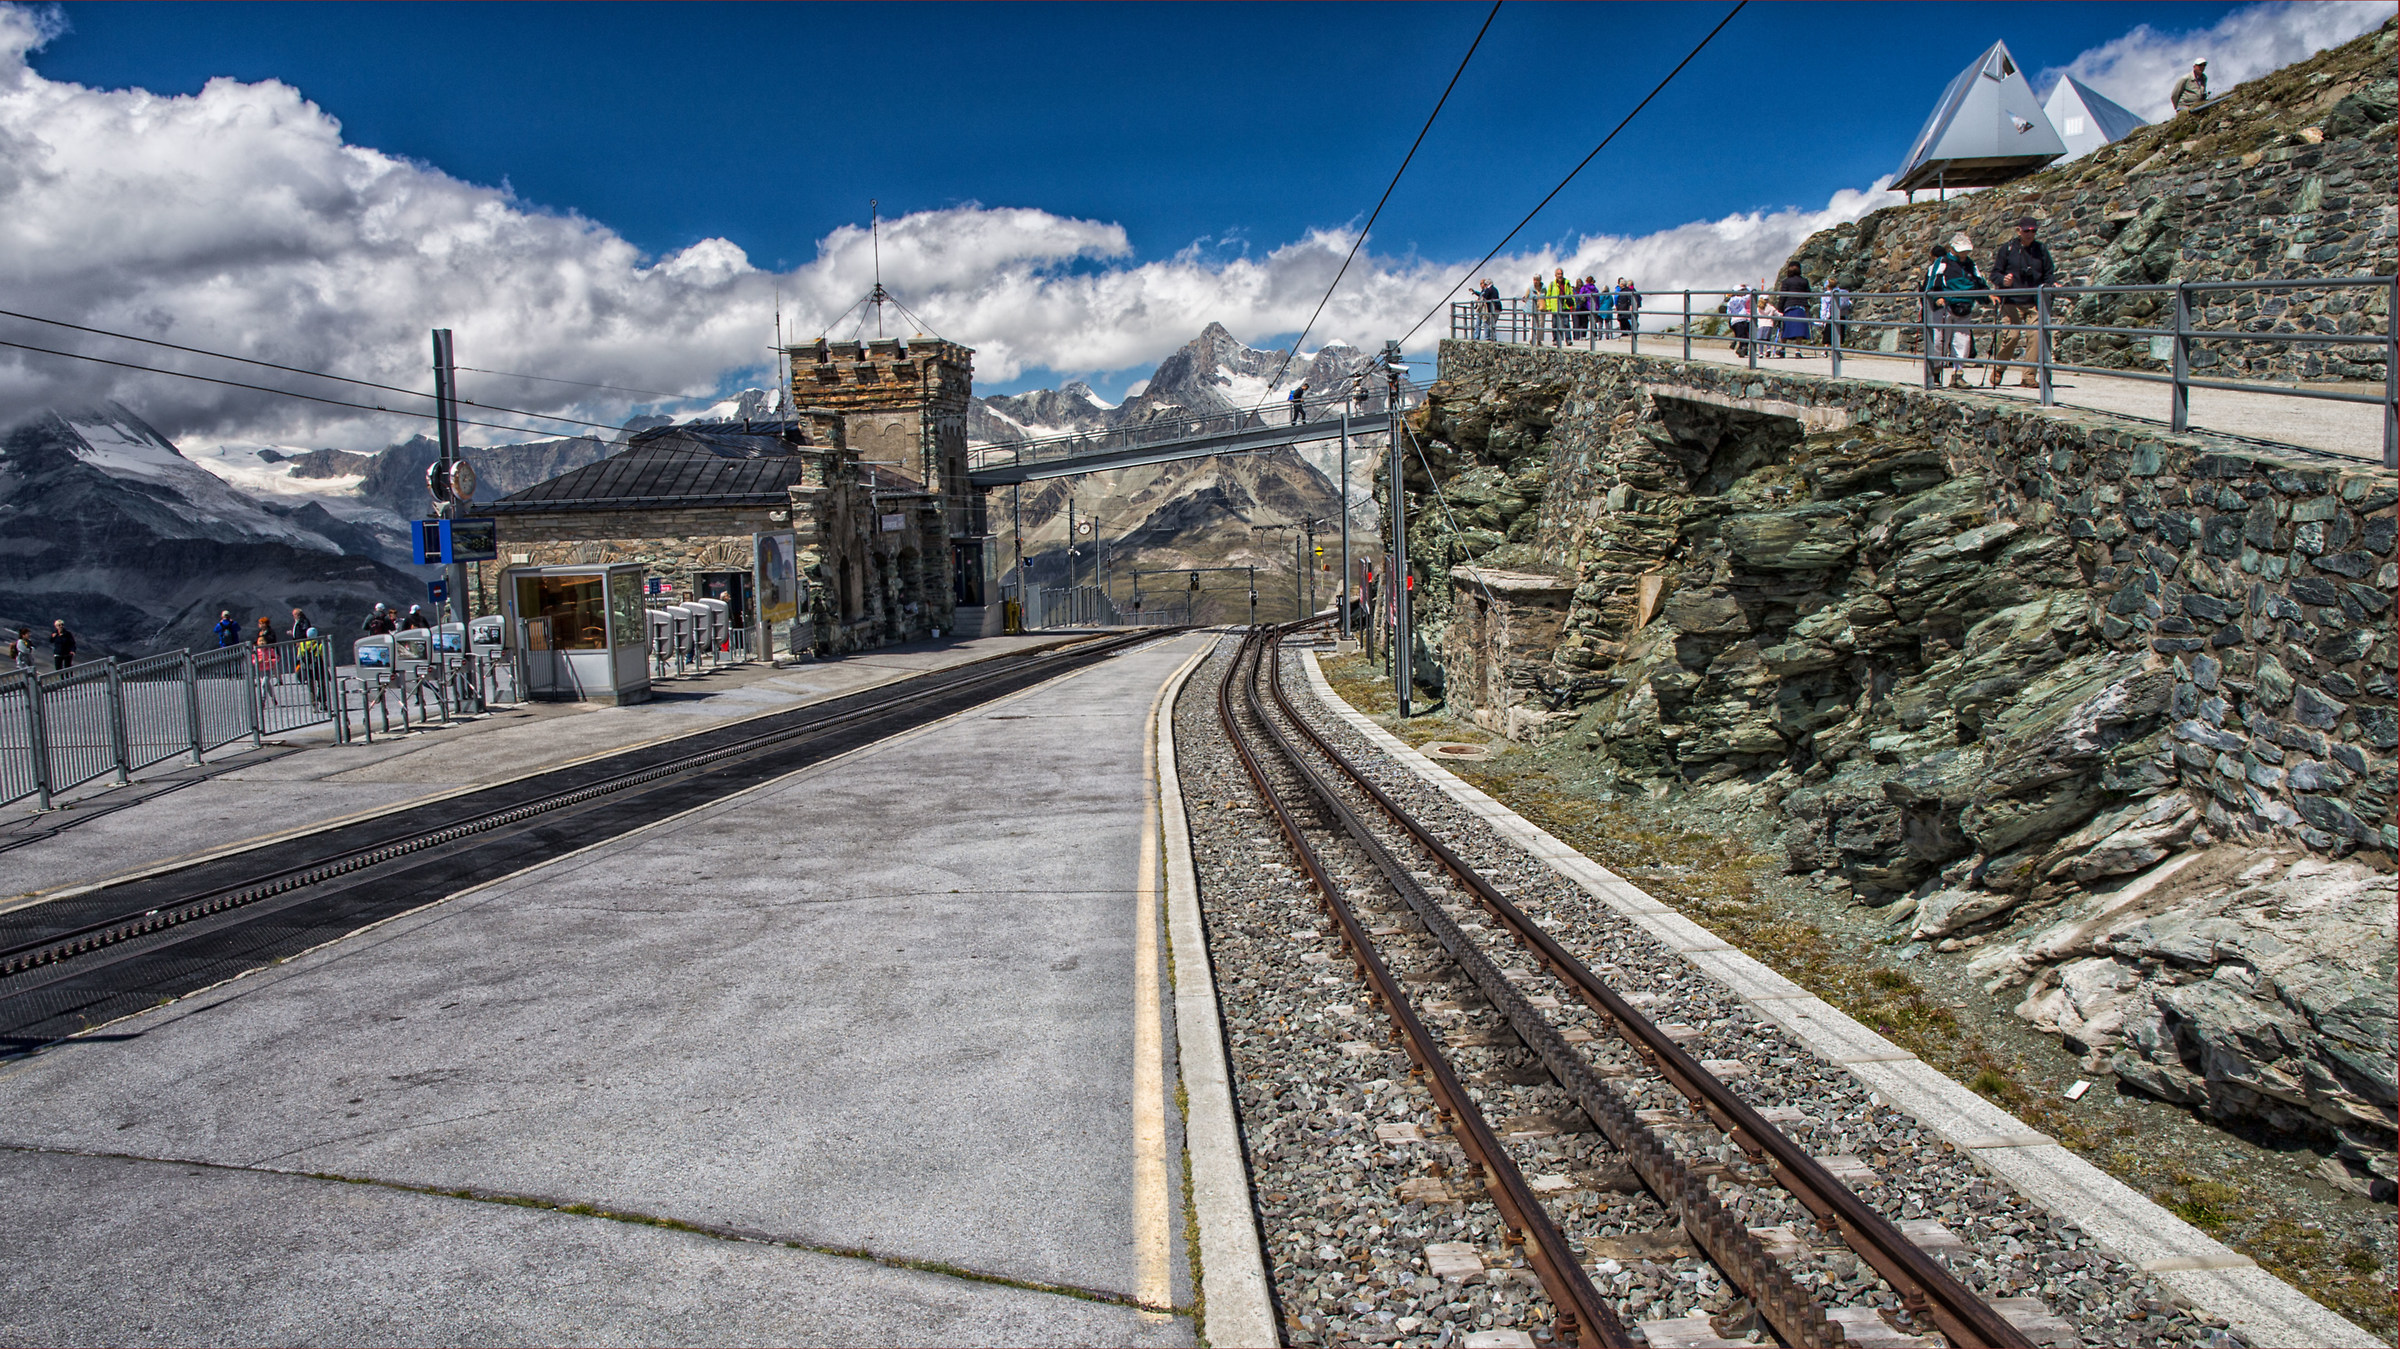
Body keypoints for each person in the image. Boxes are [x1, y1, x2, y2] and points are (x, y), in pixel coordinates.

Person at [1987, 216, 2055, 388]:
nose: (2030, 234)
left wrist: (2049, 285)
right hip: (2011, 301)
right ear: (2019, 231)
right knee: (2012, 335)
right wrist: (2004, 280)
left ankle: (2029, 376)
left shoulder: (2041, 249)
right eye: (2027, 231)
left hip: (2033, 301)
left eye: (2033, 231)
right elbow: (1995, 274)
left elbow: (2049, 272)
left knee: (2036, 336)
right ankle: (1999, 368)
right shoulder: (2007, 249)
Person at [1921, 239, 1985, 388]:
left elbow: (1979, 282)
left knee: (1963, 341)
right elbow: (1932, 282)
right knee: (1938, 341)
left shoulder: (1971, 265)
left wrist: (1987, 297)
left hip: (1964, 306)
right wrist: (1936, 297)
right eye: (1961, 251)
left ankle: (1957, 374)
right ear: (1953, 249)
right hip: (1944, 307)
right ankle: (1935, 373)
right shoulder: (1942, 263)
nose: (1964, 254)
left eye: (1966, 251)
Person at [1774, 264, 1812, 357]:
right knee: (1799, 328)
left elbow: (1783, 296)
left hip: (1789, 306)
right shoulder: (1804, 281)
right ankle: (1798, 351)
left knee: (1786, 328)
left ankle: (1782, 349)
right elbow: (1808, 294)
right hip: (1801, 306)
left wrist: (1780, 309)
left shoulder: (1786, 282)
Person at [1726, 285, 1754, 356]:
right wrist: (1750, 290)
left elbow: (1728, 312)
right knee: (1744, 336)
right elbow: (1748, 296)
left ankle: (1740, 347)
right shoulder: (1740, 299)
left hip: (1734, 320)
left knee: (1741, 335)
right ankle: (1741, 349)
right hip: (1741, 319)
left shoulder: (1730, 301)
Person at [1550, 267, 1574, 346]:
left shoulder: (1567, 283)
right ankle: (1555, 339)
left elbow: (1571, 294)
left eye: (1561, 274)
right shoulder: (1552, 284)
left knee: (1566, 323)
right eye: (1558, 274)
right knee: (1554, 324)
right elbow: (1548, 296)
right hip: (1555, 306)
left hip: (1565, 305)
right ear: (1555, 275)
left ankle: (1568, 339)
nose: (1560, 276)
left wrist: (1573, 304)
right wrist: (1549, 307)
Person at [1574, 275, 1598, 341]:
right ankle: (1595, 336)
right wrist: (1597, 307)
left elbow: (1580, 296)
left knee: (1585, 322)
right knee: (1593, 322)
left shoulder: (1584, 288)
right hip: (1593, 307)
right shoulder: (1595, 289)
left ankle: (1583, 336)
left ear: (1586, 281)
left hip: (1585, 306)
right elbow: (1597, 299)